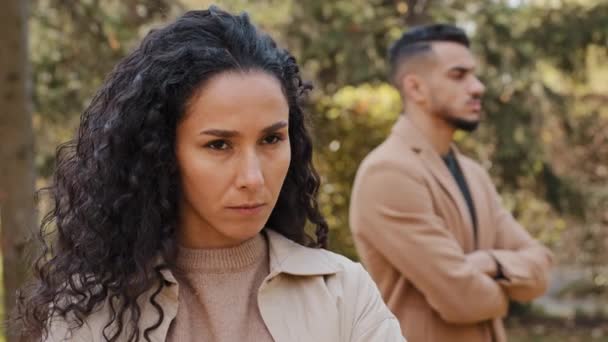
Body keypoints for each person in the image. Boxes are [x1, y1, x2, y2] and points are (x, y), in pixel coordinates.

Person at [16, 7, 404, 342]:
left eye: (271, 139)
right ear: (162, 153)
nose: (253, 177)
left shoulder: (342, 292)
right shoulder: (92, 313)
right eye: (219, 145)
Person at [349, 24, 553, 342]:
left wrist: (489, 262)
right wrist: (507, 290)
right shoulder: (388, 172)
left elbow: (541, 267)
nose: (478, 87)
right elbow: (464, 301)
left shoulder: (473, 173)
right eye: (459, 75)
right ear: (415, 88)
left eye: (474, 74)